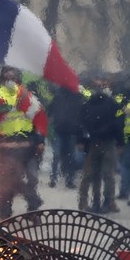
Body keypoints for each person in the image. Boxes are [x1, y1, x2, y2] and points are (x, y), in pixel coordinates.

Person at [0, 66, 47, 218]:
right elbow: (39, 120)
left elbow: (39, 120)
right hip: (18, 146)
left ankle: (14, 208)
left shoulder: (2, 97)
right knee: (12, 179)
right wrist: (39, 140)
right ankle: (29, 206)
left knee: (9, 180)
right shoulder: (26, 97)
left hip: (16, 146)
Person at [77, 79, 123, 214]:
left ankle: (99, 202)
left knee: (97, 174)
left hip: (97, 142)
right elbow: (118, 123)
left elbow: (81, 123)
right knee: (101, 174)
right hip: (101, 142)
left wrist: (81, 140)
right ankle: (104, 202)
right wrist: (120, 142)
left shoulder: (89, 103)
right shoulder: (111, 103)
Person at [47, 86, 83, 189]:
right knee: (64, 156)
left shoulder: (72, 97)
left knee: (62, 156)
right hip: (65, 131)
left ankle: (59, 178)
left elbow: (49, 111)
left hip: (66, 130)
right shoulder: (74, 97)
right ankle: (64, 179)